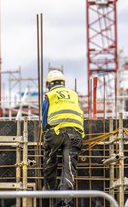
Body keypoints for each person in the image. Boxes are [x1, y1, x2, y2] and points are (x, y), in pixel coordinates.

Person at [42, 70, 84, 207]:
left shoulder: (49, 95)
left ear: (49, 84)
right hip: (75, 135)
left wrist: (45, 136)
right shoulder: (74, 95)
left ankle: (50, 194)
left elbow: (45, 119)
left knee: (50, 161)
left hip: (55, 134)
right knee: (69, 169)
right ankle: (65, 202)